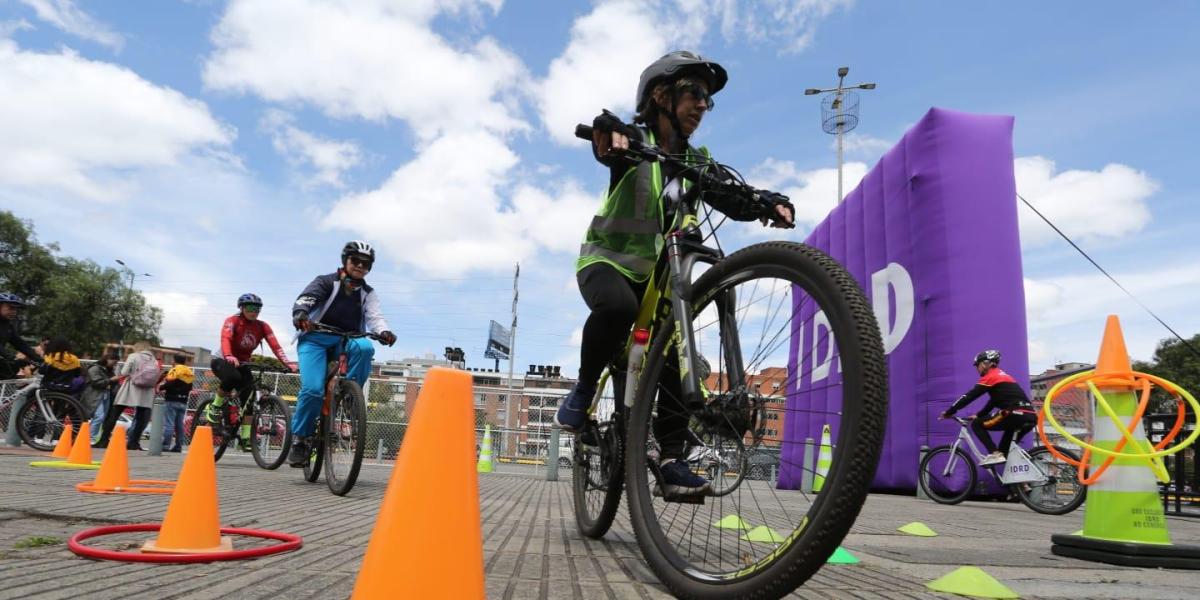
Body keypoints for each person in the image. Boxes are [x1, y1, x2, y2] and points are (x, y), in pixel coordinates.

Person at [553, 51, 794, 496]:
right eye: (694, 93)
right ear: (661, 96)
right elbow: (608, 142)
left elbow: (731, 194)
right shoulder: (635, 141)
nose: (703, 105)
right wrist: (610, 133)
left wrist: (765, 202)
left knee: (675, 356)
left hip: (662, 284)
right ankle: (584, 390)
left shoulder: (697, 161)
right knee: (618, 307)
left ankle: (671, 460)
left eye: (708, 99)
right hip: (609, 263)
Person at [287, 241, 396, 467]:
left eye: (365, 264)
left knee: (366, 347)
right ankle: (300, 439)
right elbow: (306, 299)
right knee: (313, 390)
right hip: (315, 339)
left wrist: (384, 331)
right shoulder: (326, 282)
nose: (360, 266)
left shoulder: (368, 293)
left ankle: (348, 397)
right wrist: (301, 314)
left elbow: (375, 317)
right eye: (355, 261)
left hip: (345, 339)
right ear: (345, 261)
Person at [205, 293, 296, 450]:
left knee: (249, 400)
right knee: (232, 377)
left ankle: (245, 439)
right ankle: (214, 407)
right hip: (222, 359)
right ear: (242, 308)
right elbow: (225, 339)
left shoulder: (262, 326)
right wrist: (228, 355)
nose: (254, 312)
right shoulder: (232, 321)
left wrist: (287, 363)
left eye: (257, 309)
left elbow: (275, 346)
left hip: (243, 363)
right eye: (250, 308)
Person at [939, 349, 1037, 466]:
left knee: (977, 424)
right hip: (1030, 416)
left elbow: (969, 396)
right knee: (1005, 454)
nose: (977, 369)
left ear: (986, 363)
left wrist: (950, 411)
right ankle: (1020, 483)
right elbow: (994, 401)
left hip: (1013, 413)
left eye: (978, 365)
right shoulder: (1004, 376)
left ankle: (995, 454)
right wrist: (979, 415)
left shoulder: (990, 376)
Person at [95, 341, 159, 450]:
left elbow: (124, 372)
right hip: (147, 392)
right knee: (141, 418)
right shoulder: (154, 360)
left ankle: (104, 440)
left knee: (115, 414)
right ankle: (133, 443)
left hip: (131, 388)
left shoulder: (133, 356)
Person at [0, 293, 41, 379]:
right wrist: (12, 357)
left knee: (11, 373)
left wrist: (39, 359)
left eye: (16, 309)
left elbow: (20, 344)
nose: (14, 312)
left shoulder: (8, 326)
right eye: (11, 308)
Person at [160, 354, 194, 452]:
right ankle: (178, 446)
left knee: (169, 424)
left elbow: (170, 383)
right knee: (179, 425)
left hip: (171, 400)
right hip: (183, 401)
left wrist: (161, 387)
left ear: (174, 361)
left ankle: (165, 446)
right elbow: (190, 387)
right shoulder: (189, 372)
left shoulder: (175, 370)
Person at [83, 353, 119, 439]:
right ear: (108, 359)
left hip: (105, 394)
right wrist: (110, 380)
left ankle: (90, 436)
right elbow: (96, 383)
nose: (114, 365)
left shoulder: (108, 369)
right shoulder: (95, 368)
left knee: (101, 416)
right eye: (113, 362)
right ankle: (90, 437)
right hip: (95, 395)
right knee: (99, 416)